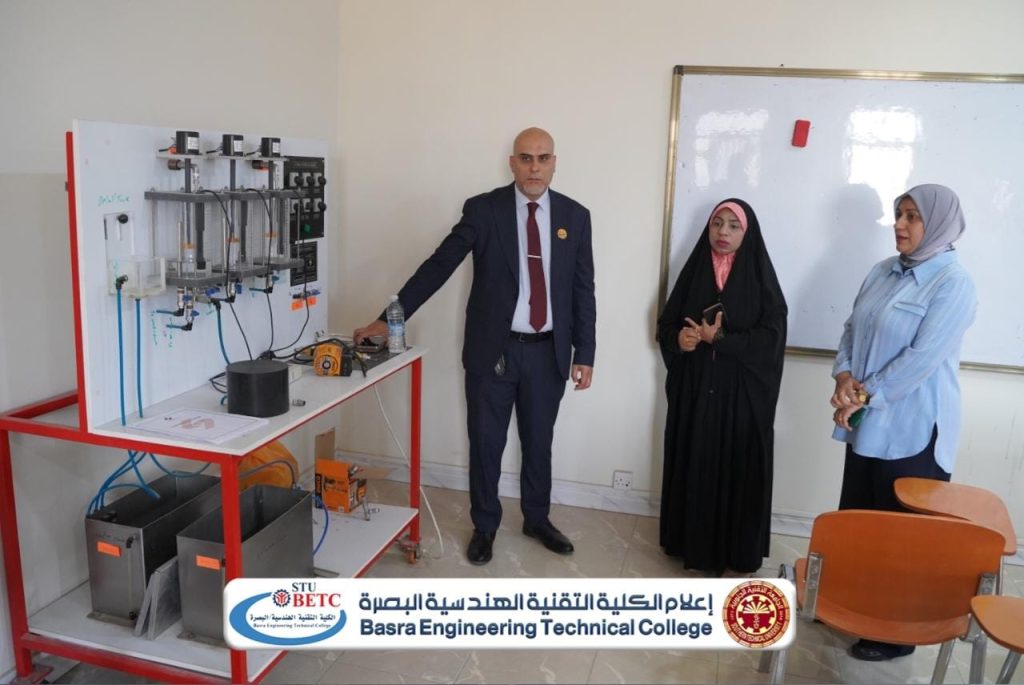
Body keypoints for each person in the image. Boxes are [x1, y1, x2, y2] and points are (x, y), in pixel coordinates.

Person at [353, 127, 596, 565]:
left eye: (543, 158)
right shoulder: (485, 210)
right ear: (512, 163)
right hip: (494, 352)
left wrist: (586, 353)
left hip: (549, 353)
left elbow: (583, 290)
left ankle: (537, 518)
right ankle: (485, 526)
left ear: (555, 163)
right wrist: (390, 318)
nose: (534, 167)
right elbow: (440, 264)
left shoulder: (575, 217)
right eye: (526, 158)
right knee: (486, 443)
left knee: (539, 442)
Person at [830, 184, 976, 662]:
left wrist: (863, 395)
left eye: (912, 216)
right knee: (861, 521)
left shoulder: (953, 283)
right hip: (866, 421)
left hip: (914, 429)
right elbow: (851, 329)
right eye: (899, 214)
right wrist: (845, 376)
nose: (900, 224)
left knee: (901, 537)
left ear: (938, 224)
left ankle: (893, 633)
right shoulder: (883, 271)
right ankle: (852, 607)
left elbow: (921, 359)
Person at [656, 199, 787, 576]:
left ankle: (735, 551)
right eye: (717, 223)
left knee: (737, 465)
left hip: (741, 396)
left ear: (748, 233)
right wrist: (679, 340)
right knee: (694, 459)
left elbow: (771, 338)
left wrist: (721, 340)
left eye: (733, 226)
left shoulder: (760, 279)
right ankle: (688, 544)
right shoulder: (695, 271)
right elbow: (667, 324)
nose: (723, 232)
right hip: (696, 390)